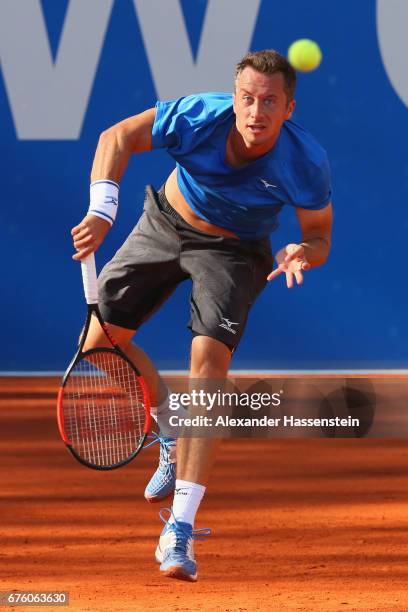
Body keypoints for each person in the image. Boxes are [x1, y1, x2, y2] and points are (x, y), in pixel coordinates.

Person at [71, 49, 333, 582]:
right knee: (97, 348)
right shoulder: (197, 116)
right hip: (165, 222)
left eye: (269, 102)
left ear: (288, 108)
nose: (255, 111)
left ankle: (181, 527)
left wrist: (303, 251)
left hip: (235, 251)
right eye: (246, 99)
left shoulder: (304, 160)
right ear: (233, 99)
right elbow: (115, 137)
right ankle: (170, 431)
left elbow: (320, 233)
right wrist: (102, 212)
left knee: (207, 368)